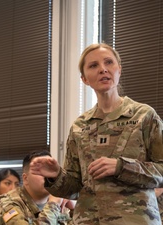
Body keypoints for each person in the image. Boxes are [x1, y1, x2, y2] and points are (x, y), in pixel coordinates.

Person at [30, 43, 163, 225]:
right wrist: (56, 176)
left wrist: (121, 167)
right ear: (84, 79)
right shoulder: (80, 125)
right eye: (93, 66)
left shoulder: (144, 116)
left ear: (119, 70)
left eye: (109, 63)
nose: (103, 69)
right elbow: (74, 188)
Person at [0, 150, 74, 225]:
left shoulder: (61, 203)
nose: (48, 176)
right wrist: (53, 204)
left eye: (51, 171)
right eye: (40, 172)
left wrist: (76, 209)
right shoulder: (6, 204)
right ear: (26, 179)